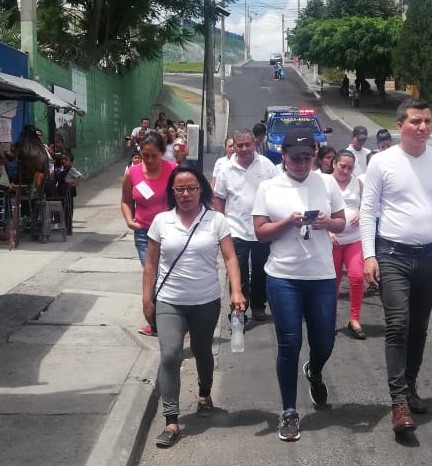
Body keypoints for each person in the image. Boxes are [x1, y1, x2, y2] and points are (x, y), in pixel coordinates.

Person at [360, 98, 432, 434]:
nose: (423, 127)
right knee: (397, 324)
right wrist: (368, 254)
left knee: (419, 326)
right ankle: (398, 402)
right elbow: (368, 211)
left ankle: (409, 385)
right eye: (415, 121)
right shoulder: (382, 162)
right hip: (392, 254)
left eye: (427, 121)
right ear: (400, 126)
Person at [252, 128, 346, 442]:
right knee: (289, 344)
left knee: (324, 342)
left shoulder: (328, 182)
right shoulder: (269, 187)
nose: (302, 164)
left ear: (315, 157)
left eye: (308, 157)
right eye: (295, 158)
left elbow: (342, 222)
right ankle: (289, 412)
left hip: (321, 276)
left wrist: (325, 223)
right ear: (284, 156)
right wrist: (288, 222)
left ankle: (315, 370)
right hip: (283, 277)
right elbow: (261, 232)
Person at [144, 164, 246, 448]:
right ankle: (171, 420)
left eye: (191, 188)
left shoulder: (215, 220)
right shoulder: (161, 221)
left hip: (205, 300)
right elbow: (150, 264)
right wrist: (146, 298)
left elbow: (230, 258)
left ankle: (204, 393)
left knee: (202, 350)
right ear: (172, 191)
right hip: (169, 300)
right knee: (170, 356)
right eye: (180, 189)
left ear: (202, 190)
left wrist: (236, 290)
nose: (186, 194)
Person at [213, 129, 280, 321]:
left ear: (254, 145)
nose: (243, 149)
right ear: (233, 146)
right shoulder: (226, 169)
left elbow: (277, 194)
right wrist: (219, 225)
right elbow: (219, 199)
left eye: (247, 145)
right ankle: (239, 308)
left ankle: (259, 306)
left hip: (261, 229)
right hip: (235, 229)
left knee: (261, 269)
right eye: (239, 145)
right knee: (238, 270)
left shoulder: (267, 166)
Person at [120, 133, 178, 337]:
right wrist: (129, 220)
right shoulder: (133, 173)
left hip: (171, 231)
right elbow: (126, 201)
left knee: (169, 274)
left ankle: (172, 319)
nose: (150, 161)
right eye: (146, 156)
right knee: (151, 274)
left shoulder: (173, 170)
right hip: (144, 233)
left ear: (163, 153)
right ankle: (156, 323)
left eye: (155, 155)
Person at [329, 151, 366, 339]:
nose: (346, 170)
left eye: (350, 167)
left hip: (354, 238)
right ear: (334, 164)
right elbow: (317, 207)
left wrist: (361, 212)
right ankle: (330, 319)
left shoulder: (358, 182)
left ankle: (354, 318)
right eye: (342, 166)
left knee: (357, 276)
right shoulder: (325, 182)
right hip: (333, 241)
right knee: (332, 282)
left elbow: (368, 204)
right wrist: (328, 231)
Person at [52, 152, 83, 235]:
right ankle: (62, 227)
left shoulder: (72, 169)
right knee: (62, 210)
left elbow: (80, 176)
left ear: (71, 162)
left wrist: (74, 184)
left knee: (68, 211)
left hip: (68, 193)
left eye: (66, 160)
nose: (64, 161)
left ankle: (68, 229)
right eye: (63, 159)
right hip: (62, 192)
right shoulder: (62, 169)